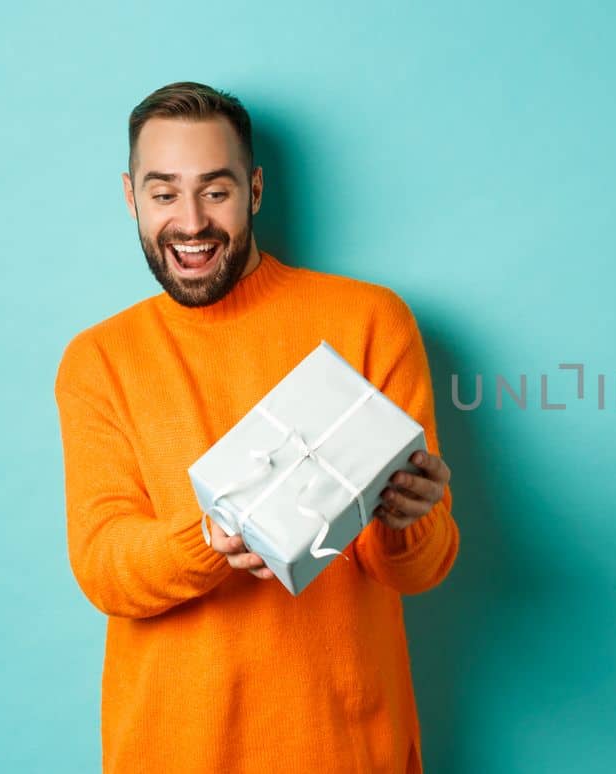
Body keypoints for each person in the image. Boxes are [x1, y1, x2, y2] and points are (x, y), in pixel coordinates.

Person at [53, 81, 459, 773]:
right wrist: (208, 539)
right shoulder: (98, 361)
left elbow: (420, 569)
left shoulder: (369, 322)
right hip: (172, 750)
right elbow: (103, 568)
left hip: (346, 747)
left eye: (216, 191)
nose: (190, 222)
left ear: (256, 190)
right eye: (163, 193)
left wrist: (407, 518)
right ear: (131, 198)